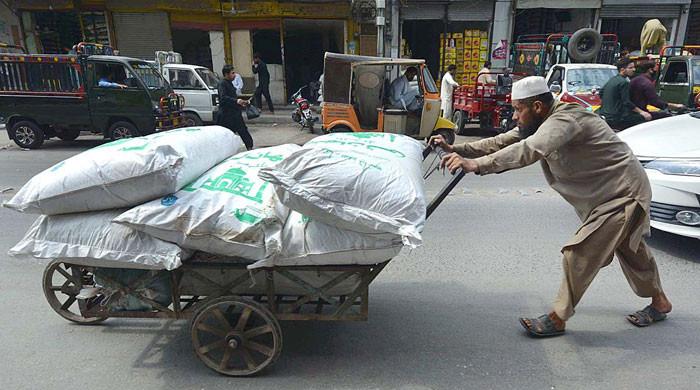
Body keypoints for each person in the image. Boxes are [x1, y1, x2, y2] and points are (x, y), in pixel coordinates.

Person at [431, 76, 672, 338]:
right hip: (606, 196)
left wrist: (477, 165)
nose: (514, 116)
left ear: (537, 107)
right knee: (632, 251)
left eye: (518, 109)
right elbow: (503, 141)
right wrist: (457, 148)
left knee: (579, 253)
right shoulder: (540, 121)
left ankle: (558, 317)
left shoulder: (564, 120)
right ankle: (660, 302)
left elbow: (530, 149)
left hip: (623, 194)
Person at [598, 57, 651, 130]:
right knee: (645, 118)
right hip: (616, 118)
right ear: (622, 70)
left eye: (634, 67)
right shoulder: (624, 82)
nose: (634, 69)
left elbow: (601, 93)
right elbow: (626, 102)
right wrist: (642, 112)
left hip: (604, 115)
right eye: (630, 68)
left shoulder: (612, 79)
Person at [218, 64, 253, 150]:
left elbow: (232, 96)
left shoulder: (229, 83)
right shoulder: (222, 84)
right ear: (226, 74)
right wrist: (236, 101)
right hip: (227, 115)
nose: (234, 75)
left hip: (235, 113)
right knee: (227, 134)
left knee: (243, 131)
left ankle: (250, 147)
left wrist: (241, 102)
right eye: (232, 73)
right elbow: (223, 98)